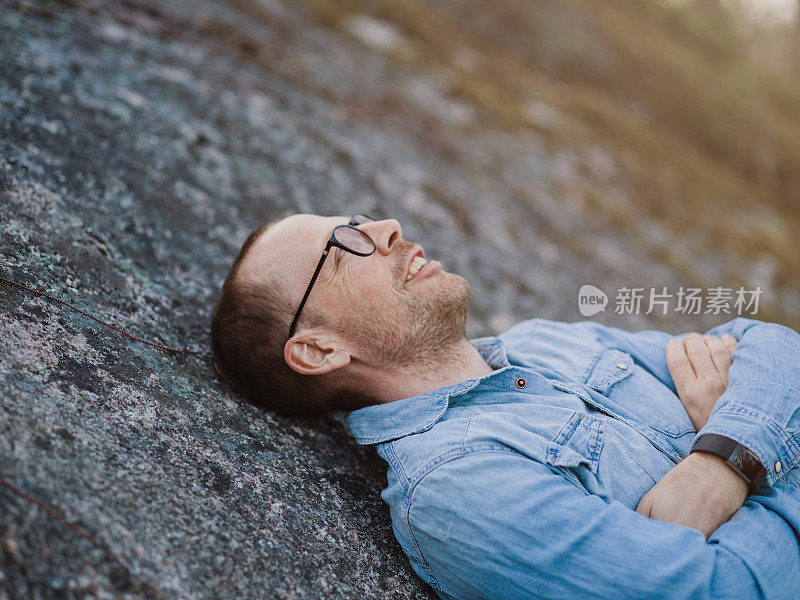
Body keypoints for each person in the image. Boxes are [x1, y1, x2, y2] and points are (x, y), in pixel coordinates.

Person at [210, 213, 800, 600]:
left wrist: (722, 463)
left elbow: (769, 342)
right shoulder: (455, 489)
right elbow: (725, 591)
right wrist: (757, 445)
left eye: (361, 219)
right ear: (318, 350)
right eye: (344, 246)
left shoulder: (545, 340)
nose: (386, 227)